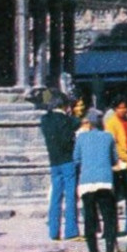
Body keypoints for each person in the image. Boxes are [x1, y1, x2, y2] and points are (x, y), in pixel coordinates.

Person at [72, 108, 121, 252]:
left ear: (89, 123)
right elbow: (114, 159)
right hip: (104, 181)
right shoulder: (108, 137)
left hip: (87, 182)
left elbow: (76, 159)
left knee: (89, 217)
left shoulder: (81, 138)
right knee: (109, 217)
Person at [39, 93, 80, 241]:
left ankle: (54, 231)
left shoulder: (45, 120)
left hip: (54, 161)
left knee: (55, 196)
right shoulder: (66, 120)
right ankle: (71, 230)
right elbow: (77, 123)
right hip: (67, 160)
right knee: (70, 196)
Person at [105, 96, 127, 229]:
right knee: (115, 197)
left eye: (124, 107)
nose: (122, 110)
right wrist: (125, 156)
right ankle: (114, 228)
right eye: (119, 108)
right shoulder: (111, 123)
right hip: (118, 164)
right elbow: (113, 144)